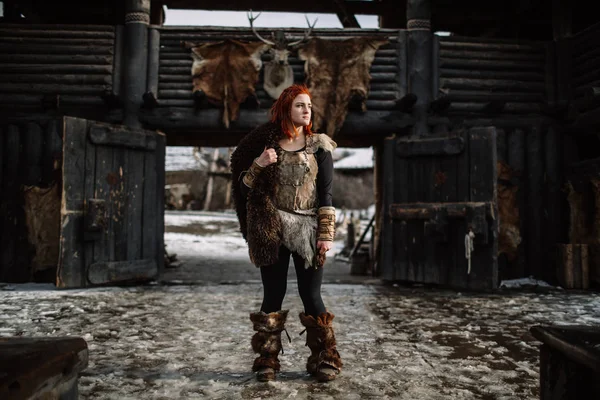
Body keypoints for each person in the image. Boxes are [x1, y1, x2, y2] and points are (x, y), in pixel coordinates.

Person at [230, 84, 343, 383]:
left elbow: (326, 195)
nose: (307, 110)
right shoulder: (268, 146)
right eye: (299, 106)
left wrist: (326, 234)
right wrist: (259, 164)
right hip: (273, 228)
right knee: (273, 295)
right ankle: (267, 360)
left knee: (311, 295)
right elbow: (243, 189)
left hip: (307, 230)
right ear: (285, 109)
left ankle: (325, 358)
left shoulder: (320, 147)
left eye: (309, 106)